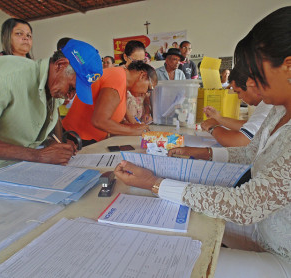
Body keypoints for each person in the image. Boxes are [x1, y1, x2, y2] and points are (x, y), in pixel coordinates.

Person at [115, 7, 291, 277]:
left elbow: (246, 205)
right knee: (173, 222)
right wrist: (201, 153)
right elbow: (251, 153)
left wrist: (154, 182)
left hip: (282, 250)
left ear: (288, 65)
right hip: (263, 226)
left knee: (175, 262)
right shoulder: (279, 109)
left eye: (256, 71)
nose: (251, 82)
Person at [0, 39, 103, 170]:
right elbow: (37, 155)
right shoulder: (5, 77)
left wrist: (54, 143)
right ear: (60, 65)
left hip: (15, 168)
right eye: (72, 88)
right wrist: (38, 155)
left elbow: (49, 121)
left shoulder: (54, 87)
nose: (71, 96)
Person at [62, 61, 157, 146]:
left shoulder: (122, 78)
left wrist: (133, 123)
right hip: (78, 139)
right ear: (142, 75)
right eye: (149, 88)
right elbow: (99, 121)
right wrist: (133, 131)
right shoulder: (117, 79)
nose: (146, 93)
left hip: (89, 137)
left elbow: (118, 105)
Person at [201, 68, 273, 147]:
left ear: (251, 84)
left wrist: (212, 128)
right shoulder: (266, 103)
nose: (239, 97)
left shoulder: (268, 104)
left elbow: (240, 141)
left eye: (239, 92)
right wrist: (219, 119)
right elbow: (248, 125)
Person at [120, 40, 152, 124]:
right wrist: (133, 123)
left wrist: (147, 112)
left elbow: (146, 97)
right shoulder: (119, 75)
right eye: (135, 61)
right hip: (123, 123)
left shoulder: (144, 73)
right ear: (125, 57)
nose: (139, 65)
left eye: (142, 61)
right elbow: (119, 103)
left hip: (140, 121)